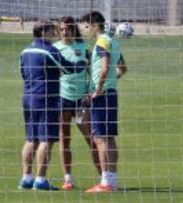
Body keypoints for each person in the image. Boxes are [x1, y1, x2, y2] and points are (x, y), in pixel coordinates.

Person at [18, 19, 86, 191]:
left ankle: (26, 178)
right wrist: (83, 62)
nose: (55, 33)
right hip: (46, 98)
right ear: (44, 32)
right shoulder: (49, 51)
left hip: (28, 97)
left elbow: (23, 73)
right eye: (52, 30)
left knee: (30, 139)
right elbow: (69, 69)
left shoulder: (25, 51)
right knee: (46, 139)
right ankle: (40, 180)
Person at [53, 16, 101, 190]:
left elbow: (92, 73)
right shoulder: (55, 49)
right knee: (64, 139)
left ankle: (104, 177)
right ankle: (68, 179)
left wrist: (90, 92)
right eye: (62, 29)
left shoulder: (83, 48)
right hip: (62, 100)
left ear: (74, 30)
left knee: (92, 139)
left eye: (68, 29)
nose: (65, 32)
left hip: (81, 101)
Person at [81, 11, 124, 193]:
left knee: (99, 138)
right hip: (111, 92)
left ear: (94, 25)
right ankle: (111, 181)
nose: (84, 31)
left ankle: (105, 183)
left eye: (86, 26)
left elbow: (105, 68)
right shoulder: (113, 41)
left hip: (102, 94)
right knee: (109, 138)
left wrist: (98, 89)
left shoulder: (102, 42)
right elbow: (122, 68)